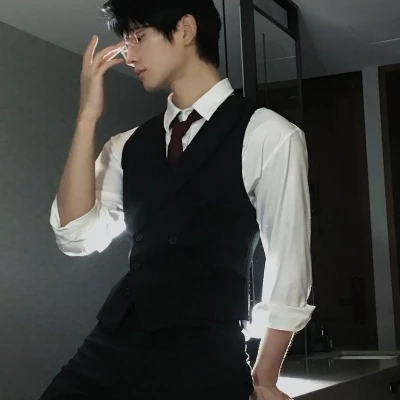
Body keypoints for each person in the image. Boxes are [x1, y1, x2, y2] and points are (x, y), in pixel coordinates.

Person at [39, 1, 315, 399]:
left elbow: (288, 266)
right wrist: (87, 116)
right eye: (125, 42)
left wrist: (264, 376)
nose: (128, 55)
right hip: (113, 346)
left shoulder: (268, 135)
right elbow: (75, 236)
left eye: (138, 37)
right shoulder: (127, 145)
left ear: (185, 29)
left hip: (204, 355)